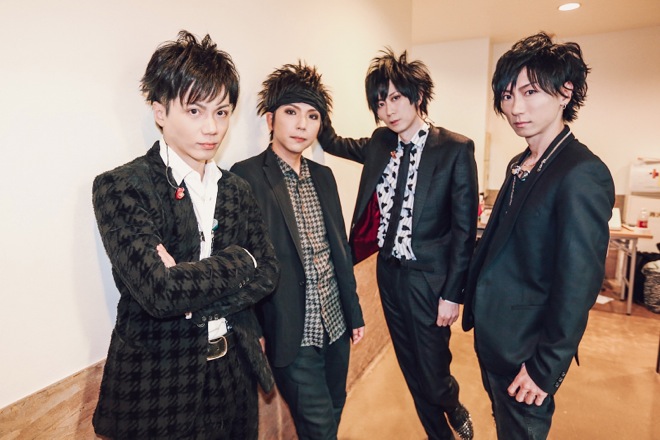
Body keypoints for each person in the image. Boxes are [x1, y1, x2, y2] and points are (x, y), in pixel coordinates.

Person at [91, 30, 279, 439]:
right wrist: (240, 261)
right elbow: (160, 293)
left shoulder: (236, 188)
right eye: (195, 111)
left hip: (234, 375)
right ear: (160, 112)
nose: (211, 127)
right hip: (159, 385)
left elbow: (268, 271)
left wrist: (190, 288)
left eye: (222, 112)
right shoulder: (122, 187)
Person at [317, 49, 477, 440]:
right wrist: (314, 97)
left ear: (417, 96)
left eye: (395, 97)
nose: (388, 109)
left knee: (433, 371)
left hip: (430, 281)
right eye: (379, 102)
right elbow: (333, 142)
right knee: (410, 366)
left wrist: (452, 293)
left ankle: (451, 402)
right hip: (389, 274)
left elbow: (464, 231)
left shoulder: (454, 149)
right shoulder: (379, 143)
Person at [462, 32, 615, 439]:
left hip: (528, 353)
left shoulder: (581, 172)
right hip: (498, 339)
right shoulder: (521, 161)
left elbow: (579, 282)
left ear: (565, 92)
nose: (516, 108)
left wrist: (546, 368)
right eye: (507, 95)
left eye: (530, 92)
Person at [231, 62, 365, 440]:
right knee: (320, 428)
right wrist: (253, 329)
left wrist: (354, 312)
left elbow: (339, 250)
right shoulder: (246, 176)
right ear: (270, 119)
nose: (302, 124)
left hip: (335, 323)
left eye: (312, 116)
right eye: (291, 112)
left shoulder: (324, 176)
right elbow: (239, 264)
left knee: (334, 409)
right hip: (290, 329)